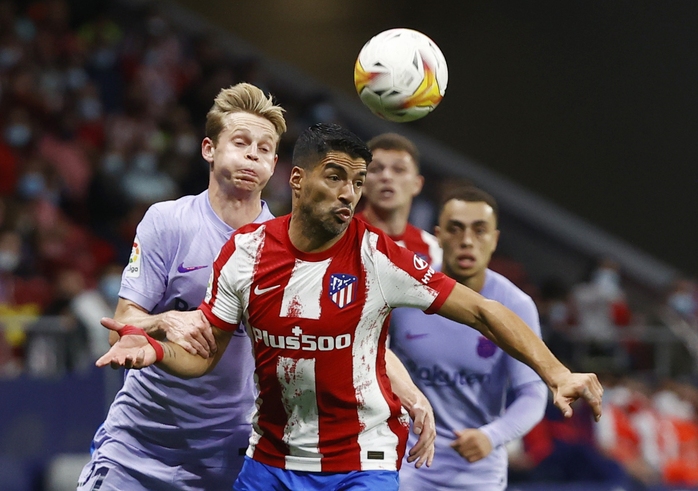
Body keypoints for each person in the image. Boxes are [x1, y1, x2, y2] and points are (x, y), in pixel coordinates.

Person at [96, 123, 603, 491]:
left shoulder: (378, 256)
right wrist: (156, 353)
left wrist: (556, 372)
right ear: (296, 180)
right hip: (269, 460)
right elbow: (205, 353)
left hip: (360, 464)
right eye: (335, 176)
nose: (349, 194)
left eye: (356, 183)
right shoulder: (245, 253)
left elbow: (484, 311)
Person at [78, 85, 434, 491]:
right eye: (241, 142)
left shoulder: (288, 245)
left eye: (265, 149)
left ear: (276, 165)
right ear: (209, 149)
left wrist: (413, 395)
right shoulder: (168, 222)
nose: (252, 154)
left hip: (233, 452)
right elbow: (119, 326)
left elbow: (355, 338)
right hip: (141, 443)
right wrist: (164, 321)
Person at [389, 186, 548, 491]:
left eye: (479, 231)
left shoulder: (515, 305)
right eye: (455, 229)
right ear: (438, 236)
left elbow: (532, 391)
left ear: (495, 240)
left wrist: (493, 436)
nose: (466, 241)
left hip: (478, 472)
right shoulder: (406, 292)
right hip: (406, 465)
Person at [357, 132, 441, 269]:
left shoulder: (435, 251)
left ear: (417, 184)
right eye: (376, 169)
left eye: (399, 170)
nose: (386, 176)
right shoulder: (338, 238)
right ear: (362, 182)